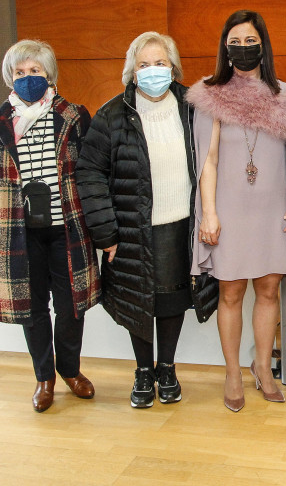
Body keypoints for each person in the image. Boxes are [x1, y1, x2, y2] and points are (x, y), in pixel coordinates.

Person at [187, 10, 286, 412]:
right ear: (226, 47)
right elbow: (207, 160)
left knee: (270, 288)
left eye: (250, 41)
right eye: (235, 42)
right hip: (229, 209)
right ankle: (232, 372)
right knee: (231, 290)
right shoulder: (210, 93)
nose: (243, 48)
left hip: (275, 207)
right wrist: (209, 212)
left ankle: (263, 366)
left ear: (264, 45)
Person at [0, 39, 100, 413]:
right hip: (18, 231)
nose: (28, 78)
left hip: (67, 228)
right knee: (32, 307)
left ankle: (70, 370)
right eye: (20, 72)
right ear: (10, 78)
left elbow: (92, 175)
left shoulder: (74, 116)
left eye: (36, 71)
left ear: (50, 74)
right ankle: (44, 377)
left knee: (72, 304)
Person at [76, 32, 195, 409]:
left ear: (173, 67)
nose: (153, 71)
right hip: (130, 228)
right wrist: (105, 232)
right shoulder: (111, 115)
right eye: (144, 65)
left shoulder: (193, 107)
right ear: (131, 71)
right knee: (137, 299)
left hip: (181, 224)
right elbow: (89, 175)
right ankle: (144, 370)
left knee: (173, 299)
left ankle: (168, 367)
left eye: (160, 63)